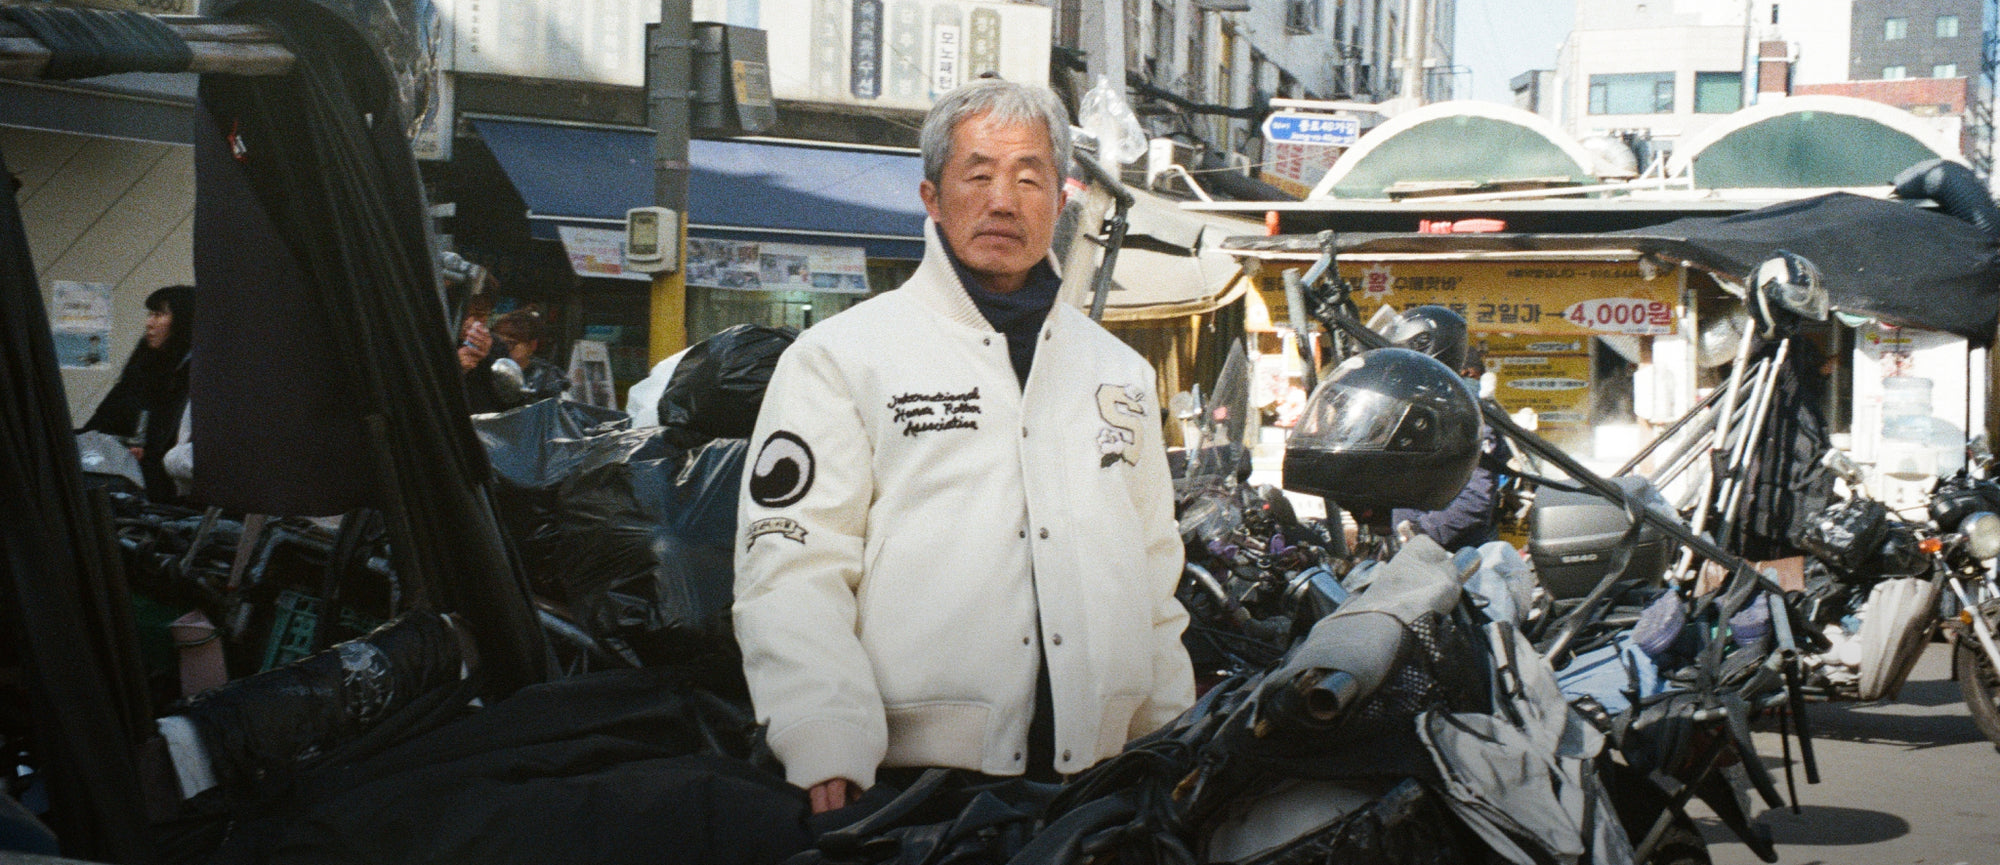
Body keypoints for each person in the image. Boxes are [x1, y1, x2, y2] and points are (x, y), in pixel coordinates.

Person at [733, 79, 1193, 814]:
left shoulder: (1122, 373)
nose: (1003, 200)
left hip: (1102, 785)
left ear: (1059, 199)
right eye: (977, 175)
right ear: (932, 196)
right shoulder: (843, 357)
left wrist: (1173, 741)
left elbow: (1154, 575)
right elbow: (791, 562)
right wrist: (823, 735)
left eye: (1029, 176)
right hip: (909, 785)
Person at [1385, 307, 1513, 550]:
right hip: (1417, 550)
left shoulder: (1469, 410)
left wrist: (1423, 535)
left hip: (1456, 555)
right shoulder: (1423, 407)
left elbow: (1474, 498)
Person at [80, 285, 195, 502]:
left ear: (183, 320)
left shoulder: (195, 372)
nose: (149, 323)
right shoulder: (144, 362)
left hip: (168, 487)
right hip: (128, 477)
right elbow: (107, 416)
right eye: (150, 314)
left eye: (159, 314)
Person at [489, 309, 570, 403]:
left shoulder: (548, 377)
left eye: (510, 343)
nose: (501, 349)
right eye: (496, 343)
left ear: (532, 345)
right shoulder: (486, 368)